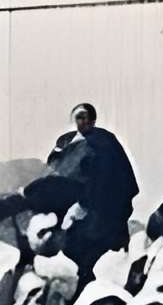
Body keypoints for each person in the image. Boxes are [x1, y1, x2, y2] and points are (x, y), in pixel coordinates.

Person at [48, 103, 140, 272]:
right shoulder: (67, 141)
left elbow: (111, 178)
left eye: (84, 117)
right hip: (79, 216)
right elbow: (54, 169)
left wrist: (83, 204)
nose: (81, 121)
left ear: (93, 119)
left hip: (100, 216)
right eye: (77, 117)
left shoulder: (104, 142)